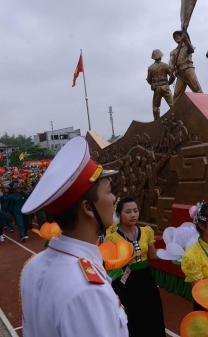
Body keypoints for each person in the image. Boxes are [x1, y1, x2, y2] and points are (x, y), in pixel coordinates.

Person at [20, 136, 128, 336]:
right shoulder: (87, 290)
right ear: (88, 208)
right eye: (110, 192)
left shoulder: (34, 265)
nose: (114, 199)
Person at [105, 196, 165, 337]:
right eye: (128, 212)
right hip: (126, 283)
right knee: (132, 317)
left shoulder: (146, 231)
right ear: (118, 215)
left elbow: (153, 256)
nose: (133, 215)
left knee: (152, 314)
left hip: (146, 280)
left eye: (135, 211)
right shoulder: (112, 238)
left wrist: (172, 255)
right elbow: (110, 265)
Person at [169, 30, 203, 102]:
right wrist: (171, 66)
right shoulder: (173, 51)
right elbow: (171, 61)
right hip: (180, 74)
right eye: (175, 37)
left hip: (188, 70)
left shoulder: (188, 46)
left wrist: (186, 40)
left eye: (178, 35)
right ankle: (176, 112)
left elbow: (191, 50)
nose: (176, 37)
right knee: (176, 95)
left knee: (197, 90)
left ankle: (203, 108)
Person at [146, 49, 175, 120]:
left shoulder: (150, 68)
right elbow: (172, 75)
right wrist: (169, 83)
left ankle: (157, 121)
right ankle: (176, 116)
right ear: (161, 57)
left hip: (157, 88)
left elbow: (149, 80)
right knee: (172, 104)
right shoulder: (165, 66)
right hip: (165, 87)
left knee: (155, 106)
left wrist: (152, 84)